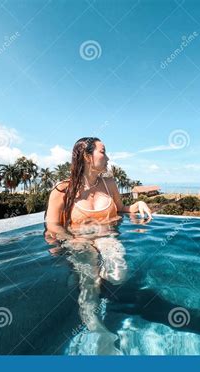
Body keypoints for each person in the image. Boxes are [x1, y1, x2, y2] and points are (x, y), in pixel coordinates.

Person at [43, 136, 153, 354]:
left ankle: (84, 275)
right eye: (103, 151)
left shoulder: (109, 182)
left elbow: (122, 209)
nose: (108, 156)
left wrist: (137, 204)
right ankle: (100, 333)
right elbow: (52, 225)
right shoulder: (62, 190)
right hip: (77, 240)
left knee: (118, 276)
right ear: (87, 155)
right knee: (90, 285)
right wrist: (71, 240)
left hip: (107, 237)